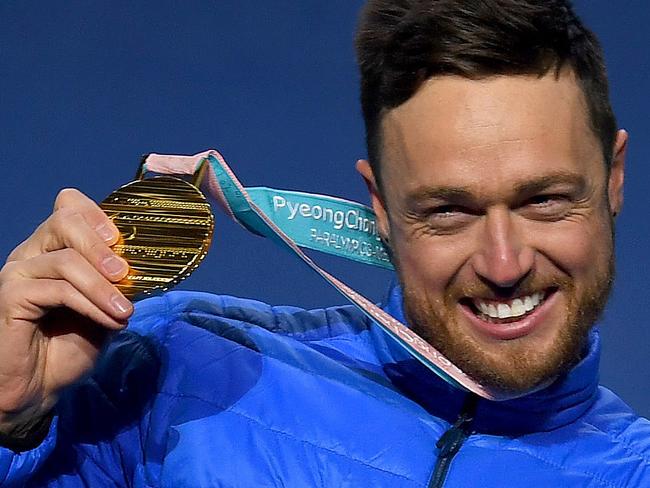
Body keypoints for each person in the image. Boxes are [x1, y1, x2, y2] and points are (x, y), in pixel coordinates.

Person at [1, 0, 648, 486]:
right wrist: (10, 418)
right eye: (449, 211)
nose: (504, 264)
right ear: (382, 210)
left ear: (613, 179)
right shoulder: (170, 375)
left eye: (544, 200)